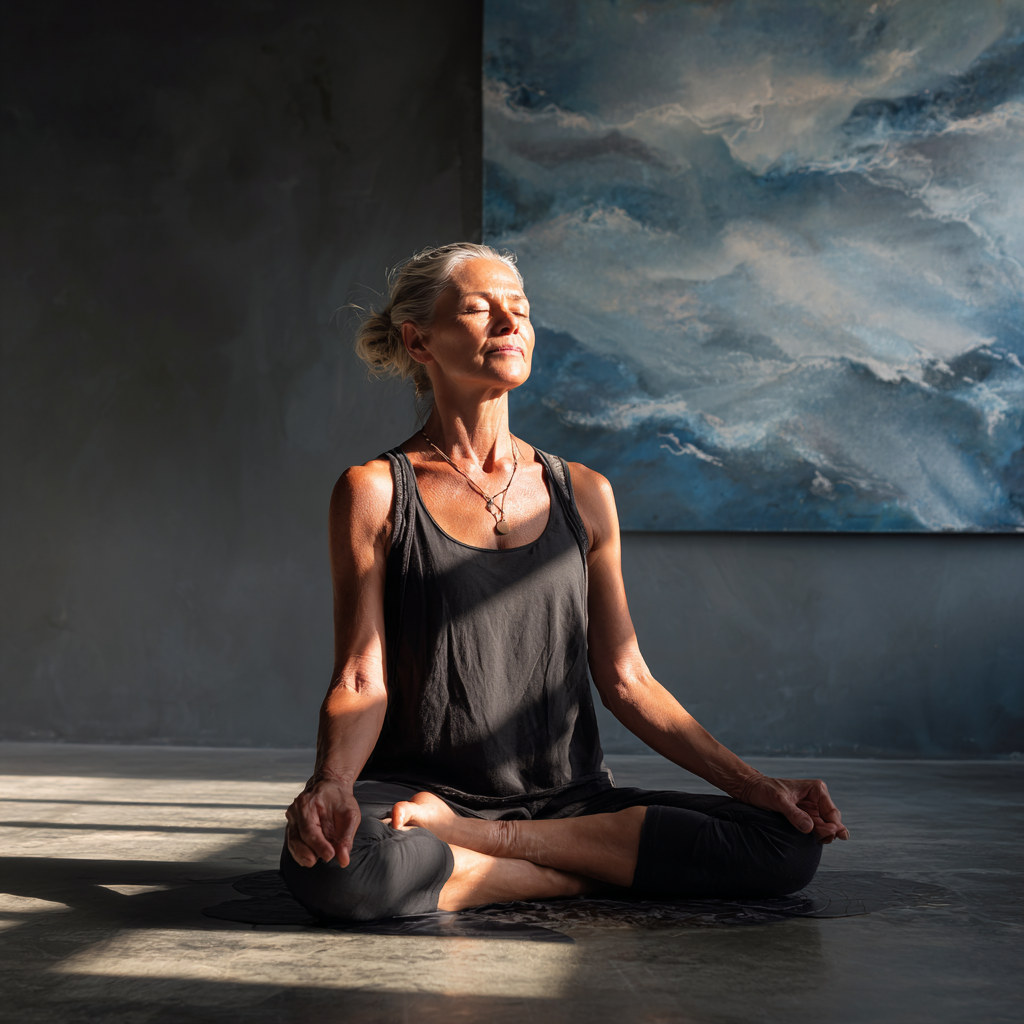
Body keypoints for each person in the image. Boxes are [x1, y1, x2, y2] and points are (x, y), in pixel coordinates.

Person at [281, 242, 849, 922]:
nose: (508, 324)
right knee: (332, 870)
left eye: (519, 311)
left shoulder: (584, 492)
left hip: (569, 799)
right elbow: (359, 677)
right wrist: (333, 783)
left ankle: (497, 849)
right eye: (479, 309)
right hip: (421, 797)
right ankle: (578, 870)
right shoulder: (374, 492)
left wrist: (756, 787)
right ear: (418, 340)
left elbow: (626, 679)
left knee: (786, 842)